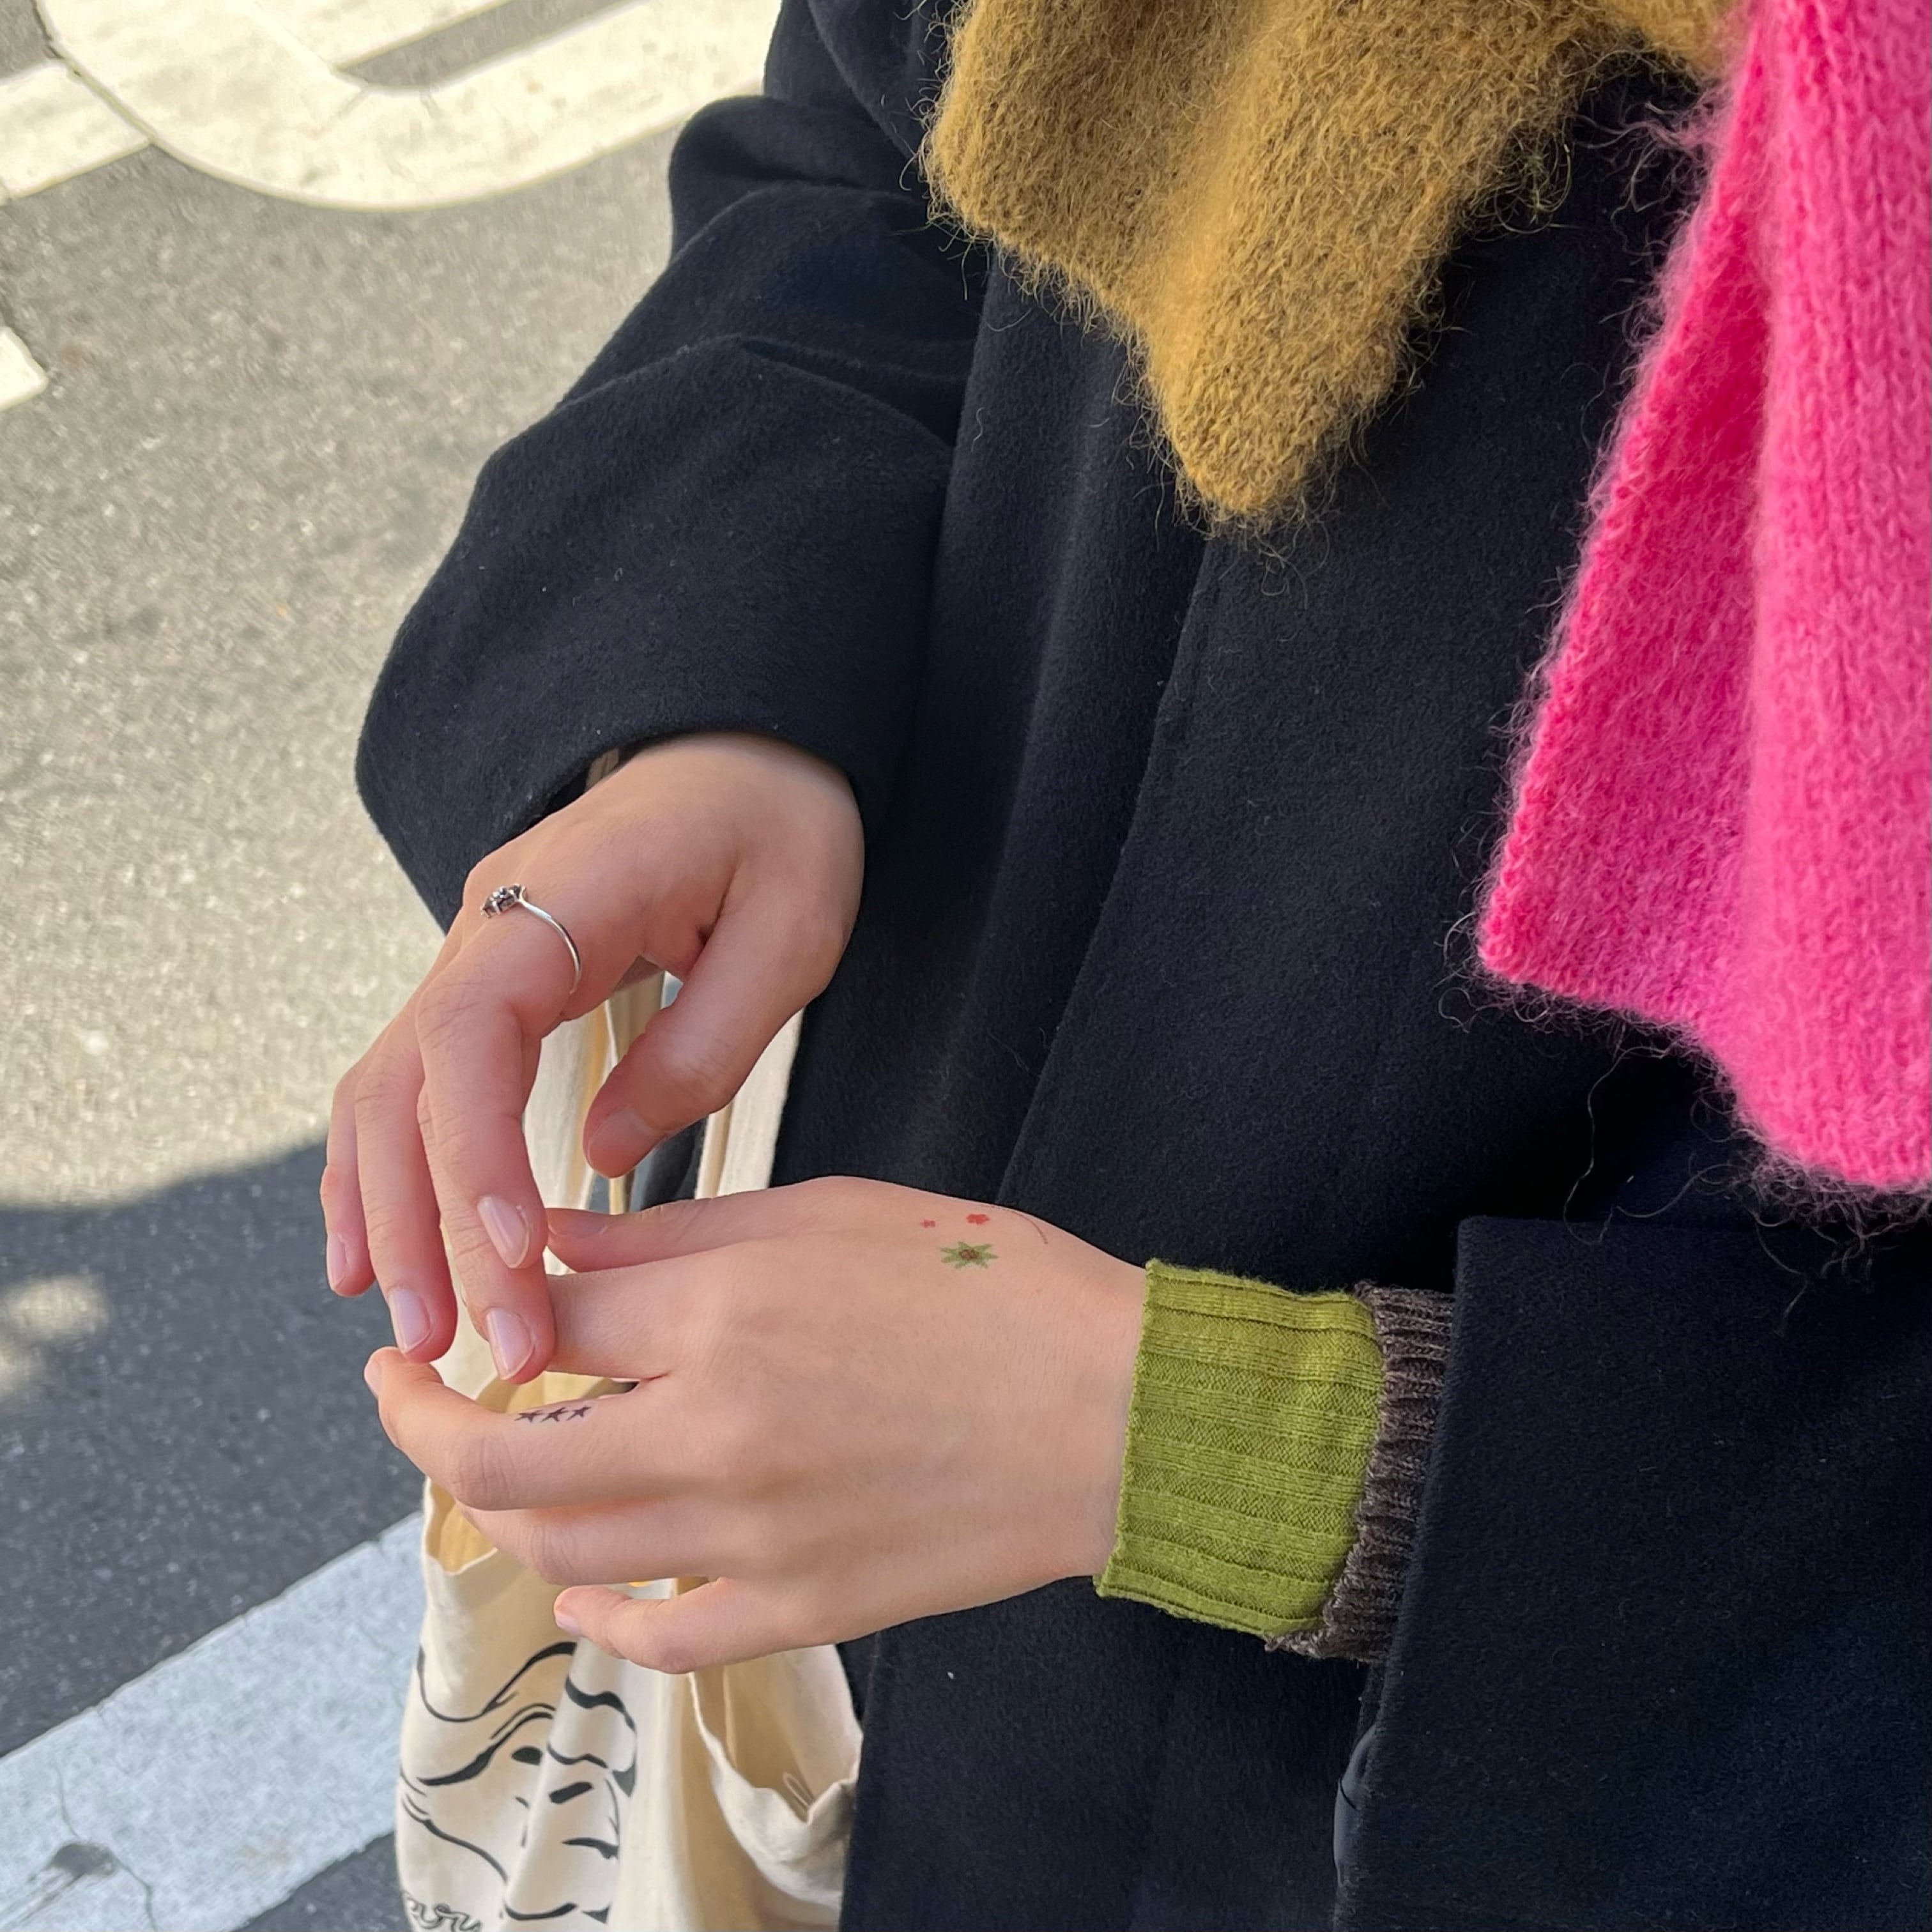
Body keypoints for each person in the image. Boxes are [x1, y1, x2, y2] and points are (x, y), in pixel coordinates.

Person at [325, 0, 1929, 1924]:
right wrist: (705, 710)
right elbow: (879, 145)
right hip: (843, 1554)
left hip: (1435, 1809)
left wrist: (1211, 1445)